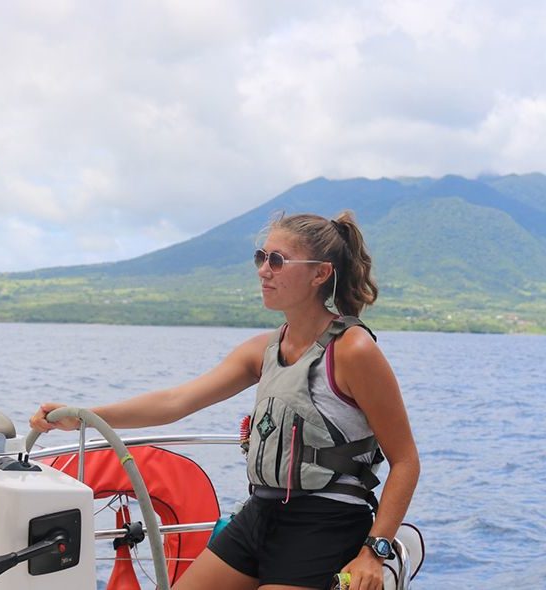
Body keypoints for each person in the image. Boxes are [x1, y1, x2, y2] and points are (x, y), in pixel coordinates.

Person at [30, 211, 420, 590]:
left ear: (321, 273)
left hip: (324, 523)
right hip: (260, 516)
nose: (263, 270)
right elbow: (176, 401)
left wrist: (374, 551)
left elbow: (405, 461)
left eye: (278, 260)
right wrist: (83, 417)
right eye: (261, 257)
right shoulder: (263, 350)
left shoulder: (353, 351)